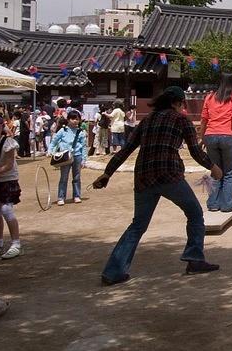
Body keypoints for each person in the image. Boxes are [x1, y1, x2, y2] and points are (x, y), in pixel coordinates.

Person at [93, 86, 222, 285]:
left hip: (143, 177)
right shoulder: (181, 120)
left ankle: (113, 272)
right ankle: (195, 259)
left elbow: (125, 150)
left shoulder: (146, 121)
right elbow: (195, 152)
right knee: (195, 214)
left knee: (138, 225)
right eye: (182, 104)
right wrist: (213, 167)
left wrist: (107, 173)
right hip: (169, 175)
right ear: (177, 103)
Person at [199, 74, 232, 212]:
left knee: (215, 171)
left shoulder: (210, 97)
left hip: (211, 135)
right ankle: (227, 204)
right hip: (228, 136)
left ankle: (213, 204)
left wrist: (202, 138)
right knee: (228, 172)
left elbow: (204, 120)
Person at [0, 113, 22, 260]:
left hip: (8, 180)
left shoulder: (8, 142)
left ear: (2, 126)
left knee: (6, 210)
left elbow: (8, 165)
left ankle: (16, 243)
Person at [50, 109, 87, 205]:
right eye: (73, 119)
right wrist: (50, 151)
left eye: (77, 119)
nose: (75, 121)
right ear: (68, 119)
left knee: (77, 177)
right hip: (65, 157)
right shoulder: (63, 130)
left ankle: (77, 195)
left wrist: (84, 159)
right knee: (64, 177)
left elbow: (83, 147)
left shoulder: (81, 132)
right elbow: (54, 141)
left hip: (77, 156)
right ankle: (61, 197)